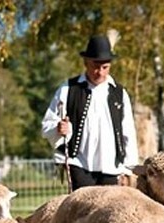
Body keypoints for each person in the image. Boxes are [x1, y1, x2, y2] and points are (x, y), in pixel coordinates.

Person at [41, 34, 138, 191]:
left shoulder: (119, 93)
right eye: (95, 66)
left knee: (108, 211)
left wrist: (129, 166)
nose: (99, 72)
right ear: (85, 62)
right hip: (78, 162)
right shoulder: (68, 89)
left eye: (104, 67)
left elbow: (128, 131)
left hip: (111, 166)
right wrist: (58, 128)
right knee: (82, 210)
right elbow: (47, 124)